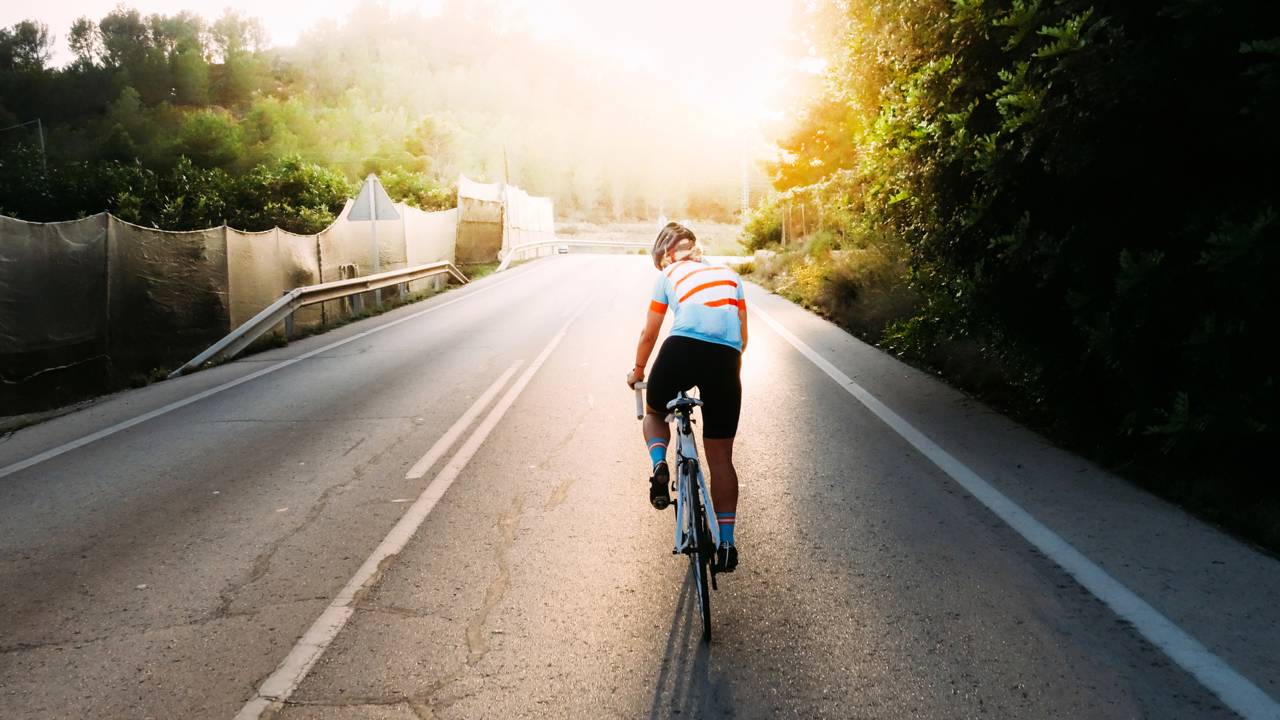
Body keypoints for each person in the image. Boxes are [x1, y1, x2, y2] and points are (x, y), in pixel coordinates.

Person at [626, 222, 747, 573]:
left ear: (666, 255)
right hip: (726, 358)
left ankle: (659, 464)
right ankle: (727, 543)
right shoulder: (731, 276)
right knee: (721, 459)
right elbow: (743, 336)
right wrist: (723, 367)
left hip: (680, 350)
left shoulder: (668, 274)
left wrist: (638, 370)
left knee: (654, 413)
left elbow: (650, 333)